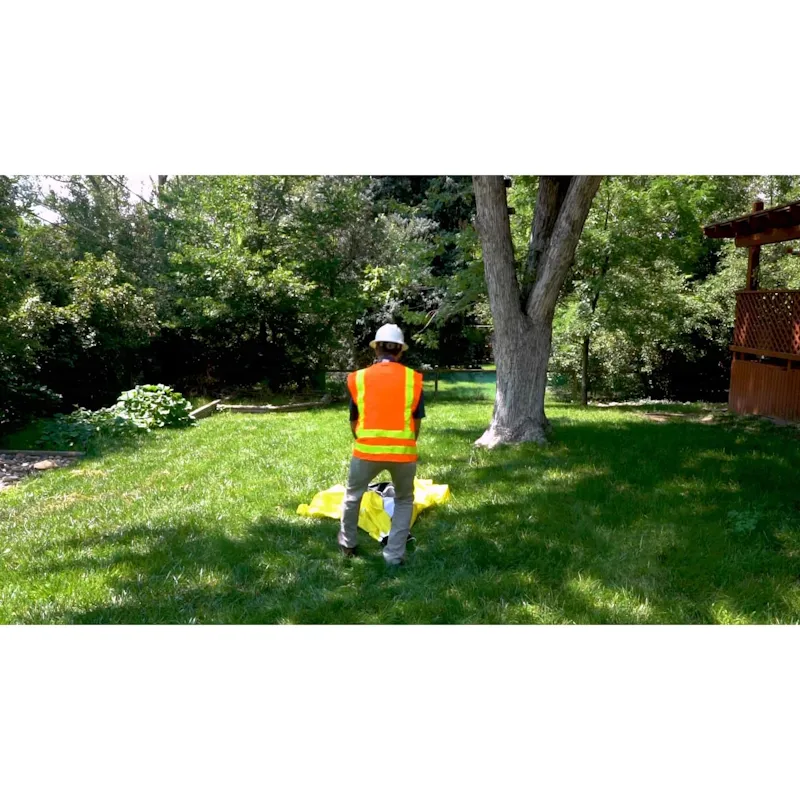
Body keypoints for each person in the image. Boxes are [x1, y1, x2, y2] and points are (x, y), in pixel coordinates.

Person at [339, 324, 425, 566]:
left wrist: (363, 440)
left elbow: (354, 419)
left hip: (366, 451)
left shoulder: (359, 378)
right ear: (400, 351)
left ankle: (348, 545)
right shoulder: (413, 379)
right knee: (404, 500)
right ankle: (394, 556)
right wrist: (407, 443)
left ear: (376, 348)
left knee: (353, 496)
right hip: (403, 454)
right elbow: (416, 422)